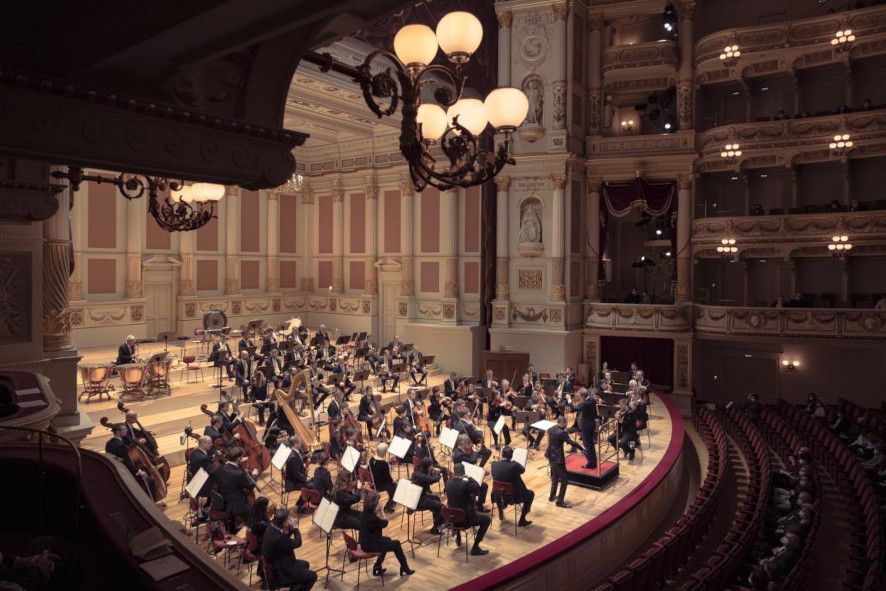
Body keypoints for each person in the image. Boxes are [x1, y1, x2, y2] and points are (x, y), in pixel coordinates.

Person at [359, 490, 415, 577]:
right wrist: (381, 510)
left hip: (366, 542)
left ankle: (377, 567)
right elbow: (385, 522)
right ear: (374, 504)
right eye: (378, 502)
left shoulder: (364, 513)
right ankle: (405, 568)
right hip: (370, 545)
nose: (379, 503)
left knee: (388, 540)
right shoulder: (373, 518)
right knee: (396, 544)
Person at [261, 508, 317, 590]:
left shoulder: (271, 527)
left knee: (306, 564)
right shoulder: (279, 538)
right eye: (288, 519)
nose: (290, 520)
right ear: (283, 523)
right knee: (312, 576)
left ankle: (295, 586)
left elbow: (285, 539)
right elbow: (297, 543)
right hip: (281, 571)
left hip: (276, 562)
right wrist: (295, 528)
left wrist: (289, 529)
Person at [445, 463, 491, 556]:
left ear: (454, 472)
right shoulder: (465, 484)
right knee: (486, 520)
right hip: (465, 520)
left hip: (452, 519)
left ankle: (458, 535)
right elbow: (477, 487)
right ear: (463, 472)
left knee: (457, 506)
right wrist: (468, 477)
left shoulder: (448, 482)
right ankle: (475, 548)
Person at [212, 447, 256, 528]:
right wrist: (254, 475)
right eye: (242, 457)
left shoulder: (218, 469)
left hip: (223, 500)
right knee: (253, 518)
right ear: (238, 458)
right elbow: (250, 486)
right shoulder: (238, 474)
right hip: (236, 504)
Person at [545, 415, 583, 508]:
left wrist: (564, 431)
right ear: (563, 423)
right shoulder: (562, 433)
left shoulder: (551, 428)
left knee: (555, 477)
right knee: (565, 480)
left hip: (550, 456)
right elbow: (571, 442)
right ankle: (560, 502)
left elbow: (559, 433)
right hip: (558, 458)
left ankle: (552, 496)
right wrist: (582, 448)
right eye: (566, 423)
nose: (567, 425)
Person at [491, 446, 533, 527]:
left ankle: (501, 509)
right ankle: (522, 520)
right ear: (511, 456)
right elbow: (522, 470)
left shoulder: (494, 464)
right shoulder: (514, 465)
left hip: (497, 495)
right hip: (512, 497)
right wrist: (514, 461)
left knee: (504, 485)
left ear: (502, 454)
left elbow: (494, 475)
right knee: (530, 494)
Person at [410, 457, 444, 534]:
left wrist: (431, 472)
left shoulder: (418, 471)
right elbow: (433, 479)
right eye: (431, 466)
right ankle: (436, 529)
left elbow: (429, 480)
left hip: (419, 496)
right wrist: (437, 473)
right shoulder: (421, 475)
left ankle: (438, 522)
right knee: (440, 506)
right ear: (428, 466)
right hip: (418, 501)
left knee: (437, 498)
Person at [574, 388, 599, 469]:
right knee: (590, 444)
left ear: (583, 396)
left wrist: (569, 400)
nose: (580, 398)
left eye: (580, 396)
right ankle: (593, 462)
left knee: (587, 445)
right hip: (591, 424)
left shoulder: (585, 403)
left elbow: (574, 409)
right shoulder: (591, 399)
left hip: (587, 426)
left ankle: (591, 463)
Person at [370, 442, 398, 512]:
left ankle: (392, 502)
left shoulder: (371, 459)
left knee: (392, 486)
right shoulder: (384, 464)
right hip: (380, 485)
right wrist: (393, 481)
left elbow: (376, 469)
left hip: (373, 482)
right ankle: (388, 506)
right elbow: (388, 478)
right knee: (394, 487)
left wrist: (389, 463)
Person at [187, 435, 215, 502]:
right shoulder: (203, 458)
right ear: (203, 444)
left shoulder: (195, 452)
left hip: (196, 478)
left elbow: (205, 459)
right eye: (209, 443)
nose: (211, 444)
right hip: (203, 484)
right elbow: (212, 472)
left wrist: (211, 457)